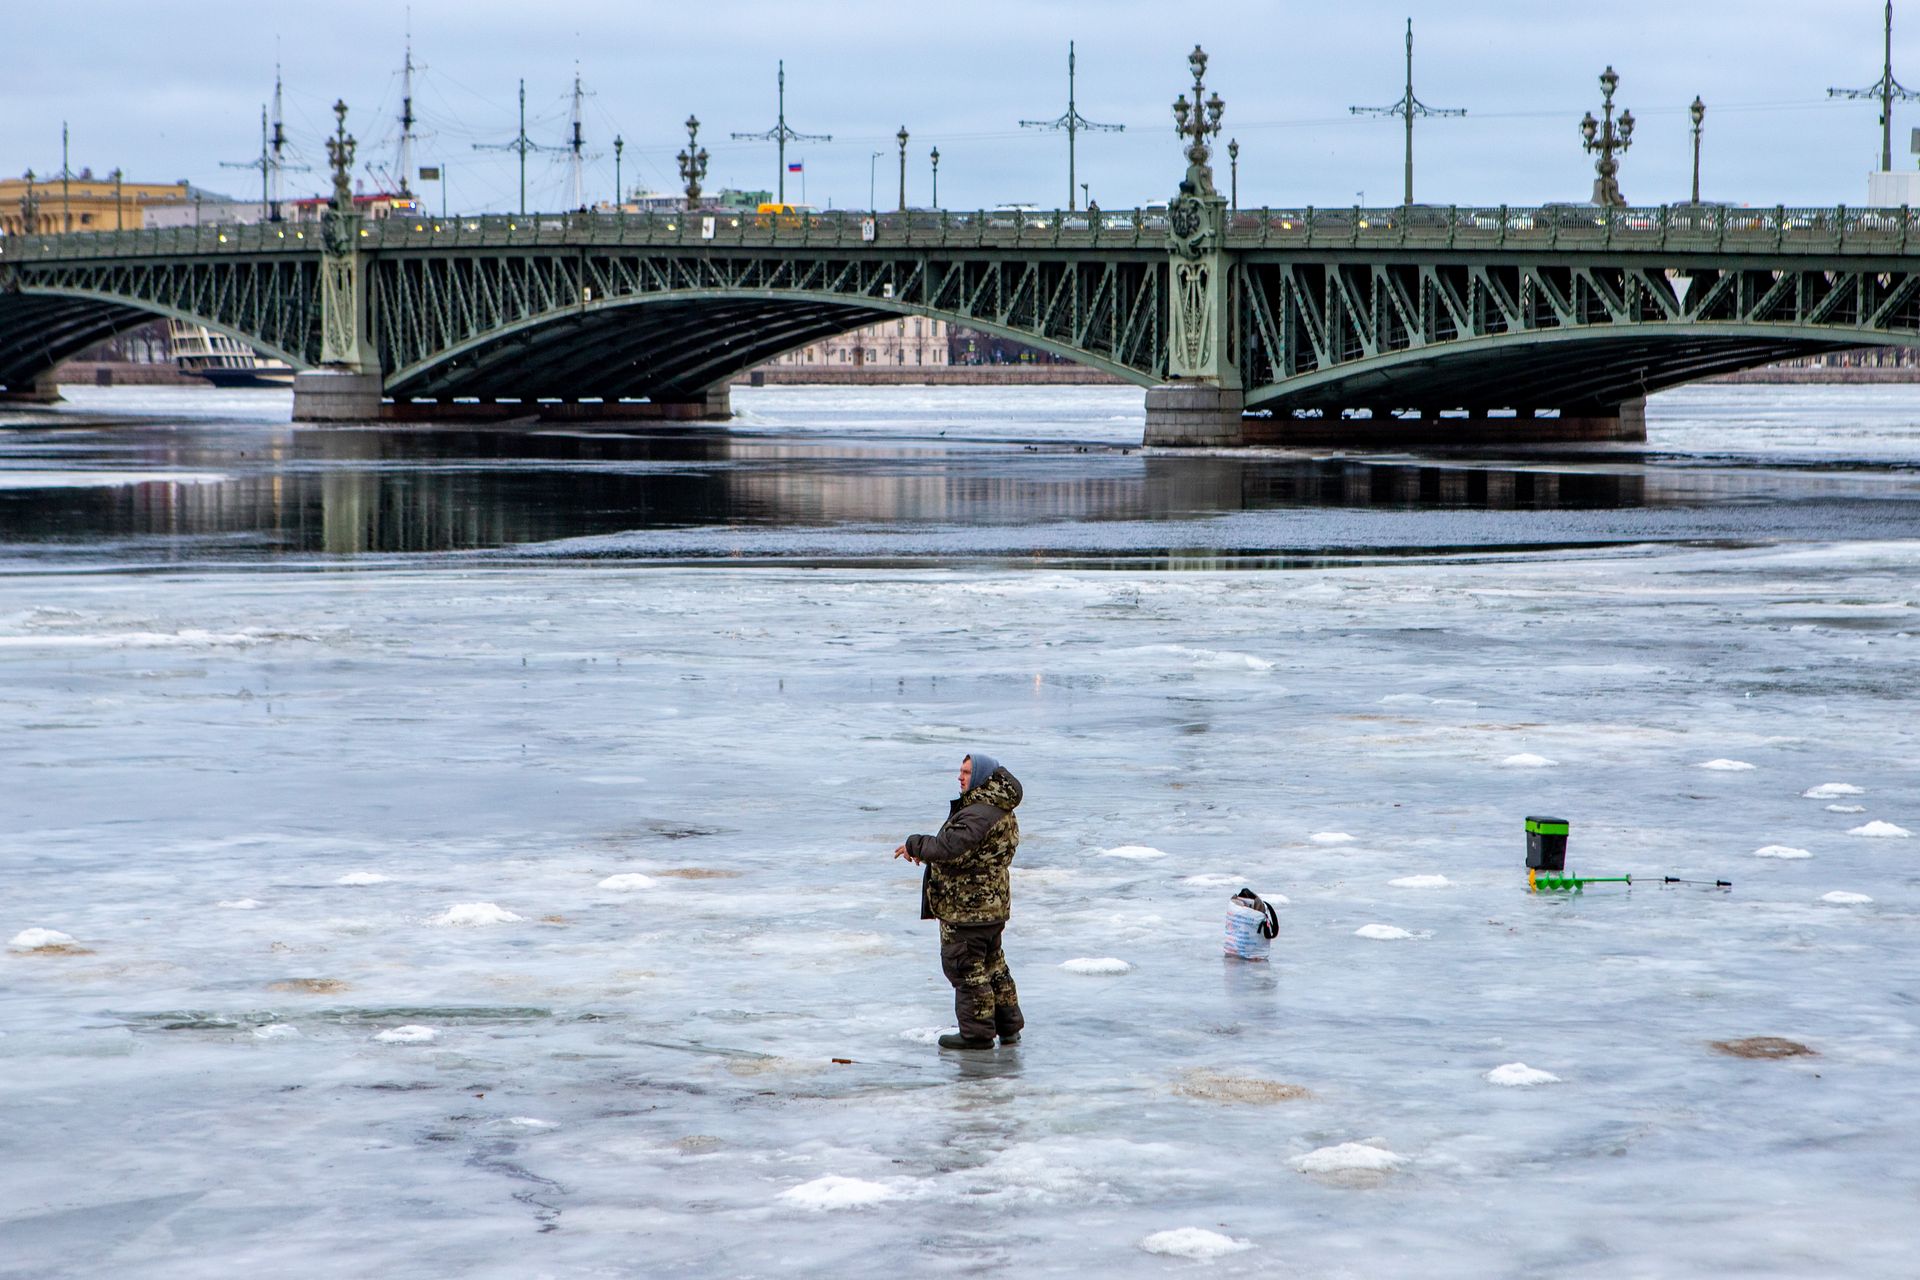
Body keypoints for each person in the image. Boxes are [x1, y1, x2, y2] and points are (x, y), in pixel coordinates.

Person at [894, 752, 1025, 1051]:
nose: (960, 777)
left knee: (965, 968)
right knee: (994, 966)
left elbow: (950, 847)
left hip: (968, 907)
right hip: (990, 905)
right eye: (960, 771)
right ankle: (1008, 1028)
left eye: (967, 772)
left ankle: (976, 1034)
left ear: (981, 777)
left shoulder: (979, 812)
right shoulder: (997, 807)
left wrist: (915, 844)